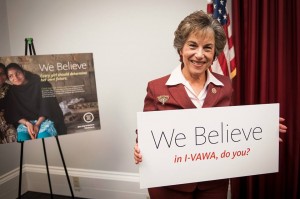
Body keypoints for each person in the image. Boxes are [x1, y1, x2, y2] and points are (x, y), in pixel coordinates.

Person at [133, 11, 287, 199]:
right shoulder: (156, 88)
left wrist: (262, 131)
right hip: (170, 184)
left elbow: (231, 128)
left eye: (207, 48)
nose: (200, 55)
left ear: (214, 53)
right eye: (192, 46)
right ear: (181, 49)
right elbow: (146, 132)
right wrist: (140, 148)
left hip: (213, 184)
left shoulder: (225, 85)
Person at [5, 63, 66, 141]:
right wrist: (27, 123)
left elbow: (47, 107)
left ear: (23, 72)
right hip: (26, 123)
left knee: (43, 138)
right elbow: (13, 113)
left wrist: (37, 125)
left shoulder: (42, 83)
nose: (15, 77)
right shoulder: (12, 91)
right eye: (11, 76)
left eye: (18, 73)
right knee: (23, 140)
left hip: (45, 120)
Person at [0, 63, 17, 144]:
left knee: (13, 137)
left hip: (8, 123)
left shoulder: (11, 89)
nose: (0, 76)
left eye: (2, 73)